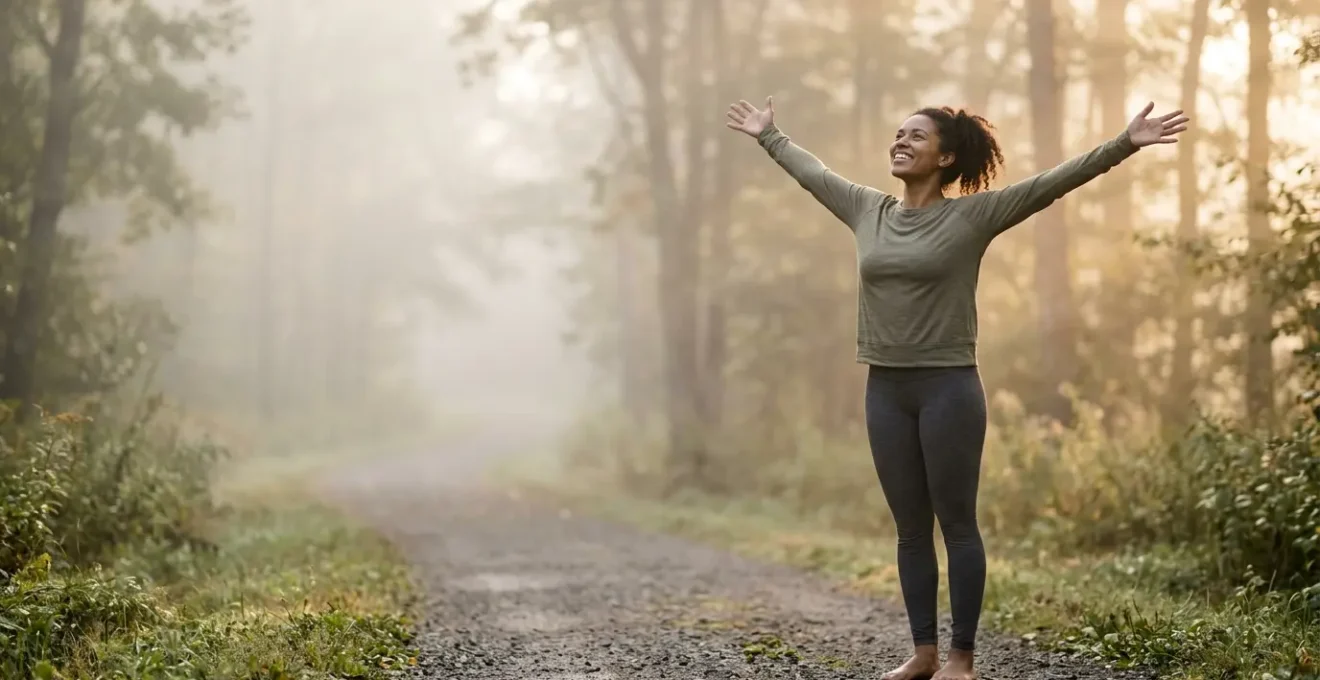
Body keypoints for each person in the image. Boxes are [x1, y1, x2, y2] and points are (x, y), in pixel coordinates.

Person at [724, 98, 1188, 680]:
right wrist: (770, 135)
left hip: (948, 388)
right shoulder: (868, 209)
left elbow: (1051, 184)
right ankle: (922, 654)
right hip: (885, 389)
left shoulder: (972, 217)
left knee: (957, 523)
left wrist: (1124, 143)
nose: (901, 141)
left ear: (944, 156)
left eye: (915, 136)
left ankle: (961, 659)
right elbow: (813, 173)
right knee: (911, 528)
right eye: (898, 134)